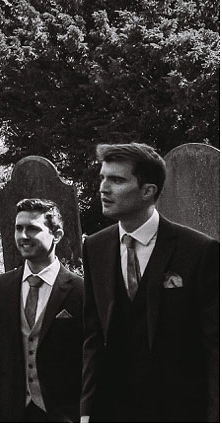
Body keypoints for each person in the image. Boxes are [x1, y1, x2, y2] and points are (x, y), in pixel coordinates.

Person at [80, 142, 219, 423]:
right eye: (103, 178)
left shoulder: (199, 250)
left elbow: (215, 346)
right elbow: (93, 337)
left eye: (117, 180)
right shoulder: (95, 247)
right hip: (113, 410)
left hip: (179, 410)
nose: (103, 188)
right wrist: (86, 410)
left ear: (148, 191)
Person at [0, 198, 83, 422]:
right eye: (18, 228)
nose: (23, 236)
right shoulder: (0, 288)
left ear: (56, 235)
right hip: (11, 415)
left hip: (63, 416)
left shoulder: (80, 291)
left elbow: (90, 366)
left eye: (32, 228)